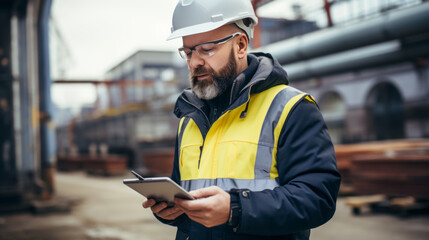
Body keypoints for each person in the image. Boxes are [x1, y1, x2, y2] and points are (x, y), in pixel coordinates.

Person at [143, 0, 341, 239]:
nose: (195, 62)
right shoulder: (189, 118)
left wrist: (236, 209)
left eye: (206, 49)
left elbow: (317, 198)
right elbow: (184, 195)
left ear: (240, 45)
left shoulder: (291, 109)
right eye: (188, 52)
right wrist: (169, 210)